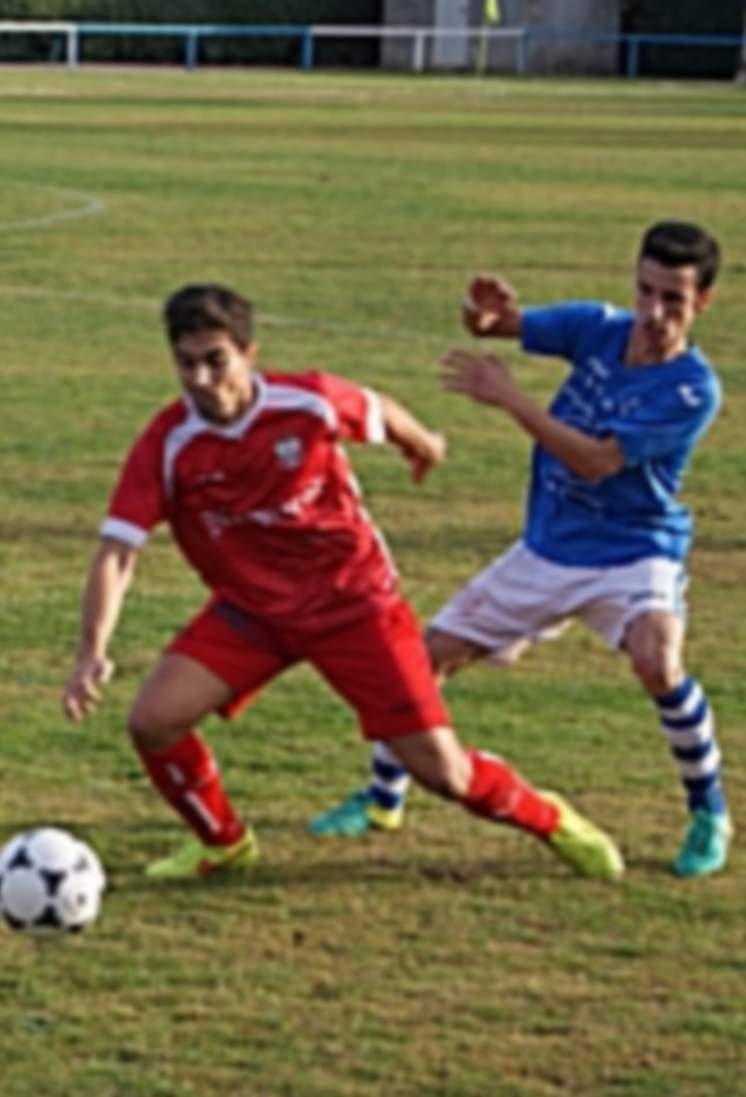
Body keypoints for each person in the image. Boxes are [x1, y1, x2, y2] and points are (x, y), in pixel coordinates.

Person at [62, 282, 623, 883]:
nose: (200, 378)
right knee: (153, 719)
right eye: (186, 362)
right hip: (253, 612)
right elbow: (118, 550)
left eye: (215, 360)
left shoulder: (307, 404)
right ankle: (222, 842)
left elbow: (376, 409)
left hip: (354, 606)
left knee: (445, 774)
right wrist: (92, 651)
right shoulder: (167, 444)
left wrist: (423, 442)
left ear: (249, 354)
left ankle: (550, 817)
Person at [311, 221, 730, 879]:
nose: (653, 312)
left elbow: (595, 461)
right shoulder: (598, 327)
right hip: (549, 549)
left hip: (634, 551)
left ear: (702, 301)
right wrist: (483, 310)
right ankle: (382, 799)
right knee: (421, 662)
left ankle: (709, 810)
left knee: (658, 660)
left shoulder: (691, 390)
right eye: (646, 291)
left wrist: (511, 399)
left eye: (672, 300)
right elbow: (497, 325)